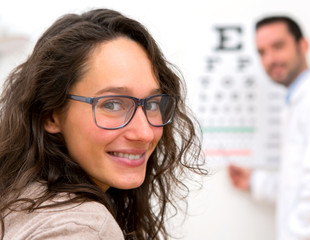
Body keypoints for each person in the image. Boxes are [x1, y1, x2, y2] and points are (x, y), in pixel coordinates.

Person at [0, 8, 206, 240]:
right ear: (50, 114)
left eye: (151, 104)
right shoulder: (85, 228)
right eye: (112, 105)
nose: (145, 133)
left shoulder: (18, 197)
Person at [228, 16, 310, 240]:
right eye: (262, 52)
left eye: (278, 46)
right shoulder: (298, 102)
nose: (270, 59)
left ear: (304, 45)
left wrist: (294, 235)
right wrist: (254, 181)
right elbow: (297, 182)